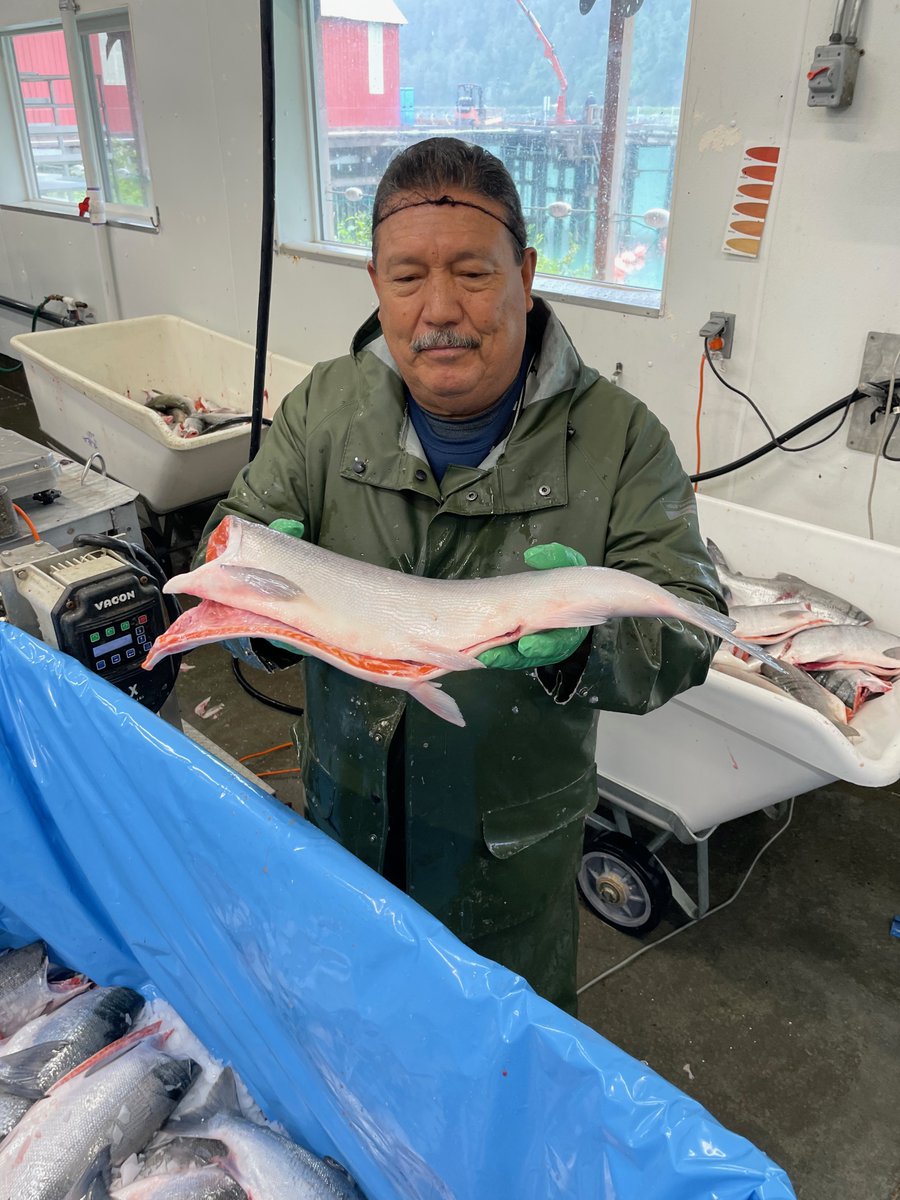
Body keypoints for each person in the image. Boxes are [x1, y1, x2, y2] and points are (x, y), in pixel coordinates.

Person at [196, 137, 725, 1015]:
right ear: (375, 282)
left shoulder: (619, 438)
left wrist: (584, 647)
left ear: (523, 271)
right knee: (344, 1028)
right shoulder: (324, 406)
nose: (440, 310)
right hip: (343, 811)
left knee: (496, 1067)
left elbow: (690, 616)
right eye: (407, 277)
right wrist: (256, 599)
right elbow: (231, 537)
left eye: (473, 274)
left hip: (507, 855)